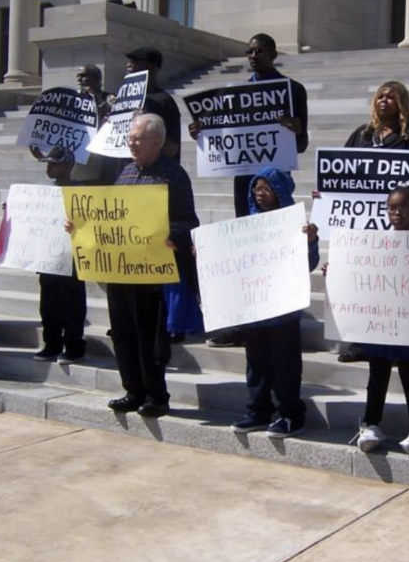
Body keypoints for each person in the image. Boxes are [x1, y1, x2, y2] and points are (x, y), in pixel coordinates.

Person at [190, 33, 309, 348]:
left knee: (273, 248)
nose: (253, 55)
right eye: (249, 51)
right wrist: (201, 132)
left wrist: (295, 127)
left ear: (272, 53)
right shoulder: (234, 93)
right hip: (245, 182)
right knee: (246, 250)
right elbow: (221, 135)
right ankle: (245, 322)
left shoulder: (292, 90)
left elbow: (302, 142)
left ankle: (277, 314)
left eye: (259, 51)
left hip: (275, 181)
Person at [337, 80, 409, 364]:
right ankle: (360, 339)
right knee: (367, 282)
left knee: (398, 283)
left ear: (402, 103)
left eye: (391, 96)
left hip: (402, 223)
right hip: (367, 225)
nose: (384, 100)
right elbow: (340, 171)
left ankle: (405, 338)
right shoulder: (363, 135)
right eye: (380, 96)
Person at [100, 114, 199, 419]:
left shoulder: (174, 175)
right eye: (130, 137)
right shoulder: (125, 173)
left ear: (156, 142)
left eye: (138, 138)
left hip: (153, 273)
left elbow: (188, 222)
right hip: (120, 269)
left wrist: (172, 235)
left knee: (149, 338)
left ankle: (157, 396)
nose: (132, 143)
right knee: (123, 332)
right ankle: (132, 391)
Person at [229, 167, 319, 439]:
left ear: (279, 192)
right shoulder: (247, 226)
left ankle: (291, 415)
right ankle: (258, 410)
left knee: (285, 366)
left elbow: (309, 264)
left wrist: (311, 242)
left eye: (266, 189)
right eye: (256, 189)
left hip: (283, 311)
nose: (259, 194)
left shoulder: (294, 225)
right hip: (255, 309)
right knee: (256, 364)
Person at [347, 186, 409, 458]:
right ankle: (371, 425)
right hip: (382, 322)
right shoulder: (377, 241)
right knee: (377, 375)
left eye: (402, 206)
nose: (396, 212)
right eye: (391, 207)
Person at [125, 47, 203, 341]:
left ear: (152, 69)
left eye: (136, 67)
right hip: (131, 179)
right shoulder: (121, 101)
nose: (129, 72)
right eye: (128, 67)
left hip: (159, 185)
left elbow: (170, 147)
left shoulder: (162, 102)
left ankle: (173, 322)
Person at [31, 147, 87, 365]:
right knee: (48, 304)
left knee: (72, 303)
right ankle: (51, 343)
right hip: (48, 256)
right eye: (48, 163)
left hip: (72, 258)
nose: (49, 167)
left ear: (68, 165)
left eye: (53, 163)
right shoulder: (43, 193)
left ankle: (74, 345)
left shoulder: (80, 190)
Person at [125, 47, 181, 161]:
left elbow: (171, 148)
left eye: (134, 62)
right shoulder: (124, 100)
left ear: (150, 67)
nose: (128, 65)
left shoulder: (164, 101)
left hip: (153, 174)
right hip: (127, 172)